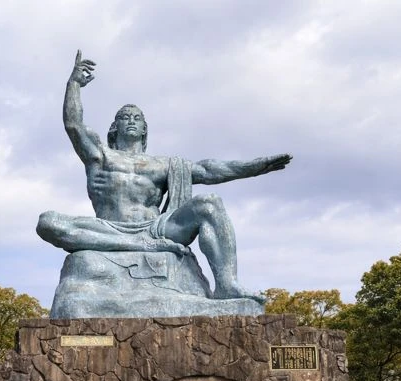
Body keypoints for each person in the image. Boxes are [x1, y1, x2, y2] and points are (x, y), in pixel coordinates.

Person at [37, 50, 292, 300]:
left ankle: (227, 284)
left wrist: (255, 167)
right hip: (109, 227)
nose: (131, 121)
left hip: (155, 230)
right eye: (125, 117)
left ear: (145, 129)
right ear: (114, 128)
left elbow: (209, 170)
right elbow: (74, 125)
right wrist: (74, 85)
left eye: (137, 118)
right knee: (47, 222)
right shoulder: (100, 156)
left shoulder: (161, 164)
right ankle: (134, 246)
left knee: (210, 203)